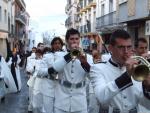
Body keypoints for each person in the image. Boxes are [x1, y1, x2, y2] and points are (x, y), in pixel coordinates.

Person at [90, 29, 150, 113]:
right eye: (121, 47)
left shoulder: (139, 68)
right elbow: (101, 97)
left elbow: (147, 106)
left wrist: (148, 88)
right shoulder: (98, 68)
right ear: (110, 48)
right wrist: (127, 75)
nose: (126, 52)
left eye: (129, 47)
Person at [37, 28, 93, 113]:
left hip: (80, 102)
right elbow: (55, 68)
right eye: (72, 39)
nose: (74, 41)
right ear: (67, 41)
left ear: (79, 40)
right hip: (61, 101)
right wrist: (71, 55)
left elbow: (92, 76)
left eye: (77, 39)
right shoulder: (59, 55)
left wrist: (84, 62)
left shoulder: (88, 57)